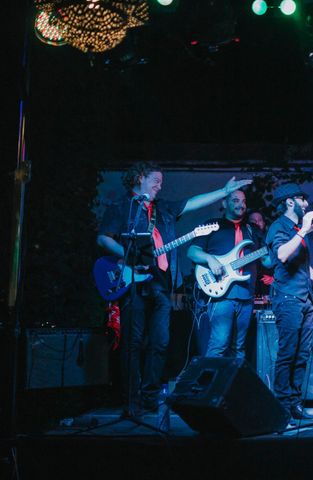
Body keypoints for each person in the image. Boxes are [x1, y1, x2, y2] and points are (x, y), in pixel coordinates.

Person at [97, 161, 252, 414]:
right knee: (133, 343)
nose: (160, 185)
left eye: (161, 181)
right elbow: (103, 238)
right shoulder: (121, 208)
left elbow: (192, 202)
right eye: (156, 180)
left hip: (160, 284)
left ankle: (150, 396)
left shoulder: (163, 209)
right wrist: (129, 258)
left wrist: (223, 192)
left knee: (160, 342)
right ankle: (131, 399)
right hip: (133, 283)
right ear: (140, 178)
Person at [265, 183, 313, 421]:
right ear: (290, 202)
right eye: (303, 200)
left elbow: (301, 265)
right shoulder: (279, 228)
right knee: (287, 353)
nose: (307, 204)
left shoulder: (295, 229)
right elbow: (283, 255)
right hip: (287, 298)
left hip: (304, 298)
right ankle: (281, 406)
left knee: (302, 354)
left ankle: (295, 403)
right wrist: (304, 230)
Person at [187, 190, 272, 359]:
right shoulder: (212, 225)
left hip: (246, 294)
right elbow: (192, 251)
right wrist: (210, 259)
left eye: (243, 201)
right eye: (235, 200)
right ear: (224, 203)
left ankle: (235, 385)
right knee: (218, 345)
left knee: (239, 348)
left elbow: (266, 261)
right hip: (221, 295)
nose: (241, 204)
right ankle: (210, 385)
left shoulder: (251, 229)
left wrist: (280, 252)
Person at [248, 210, 274, 297]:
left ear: (264, 223)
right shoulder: (243, 241)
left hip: (266, 288)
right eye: (253, 220)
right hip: (248, 286)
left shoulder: (271, 240)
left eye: (259, 220)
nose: (256, 223)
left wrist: (274, 279)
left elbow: (282, 264)